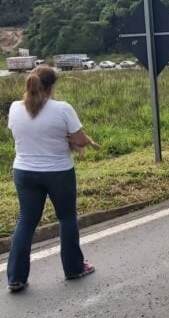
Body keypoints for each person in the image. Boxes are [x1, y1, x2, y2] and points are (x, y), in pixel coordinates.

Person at [6, 66, 100, 293]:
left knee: (26, 221)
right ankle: (74, 268)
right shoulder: (62, 109)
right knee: (67, 218)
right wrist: (79, 140)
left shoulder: (15, 108)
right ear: (51, 86)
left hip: (24, 172)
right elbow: (78, 137)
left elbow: (26, 135)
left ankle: (16, 277)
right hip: (58, 172)